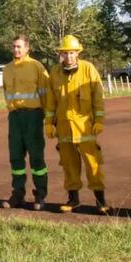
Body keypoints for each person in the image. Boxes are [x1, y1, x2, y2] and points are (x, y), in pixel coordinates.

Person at [45, 35, 108, 214]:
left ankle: (100, 201)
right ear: (61, 54)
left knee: (93, 164)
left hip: (86, 128)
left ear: (78, 52)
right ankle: (73, 200)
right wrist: (49, 123)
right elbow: (51, 102)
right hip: (64, 128)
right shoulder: (55, 73)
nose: (69, 56)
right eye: (65, 53)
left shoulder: (88, 69)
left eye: (72, 52)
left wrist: (99, 121)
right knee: (68, 165)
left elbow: (98, 98)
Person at [0, 34, 50, 211]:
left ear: (27, 48)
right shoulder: (7, 69)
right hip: (14, 117)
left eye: (19, 47)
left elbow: (46, 94)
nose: (16, 50)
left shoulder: (36, 67)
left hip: (33, 116)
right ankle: (18, 194)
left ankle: (40, 195)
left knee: (36, 157)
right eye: (14, 46)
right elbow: (6, 92)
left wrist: (47, 116)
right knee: (15, 157)